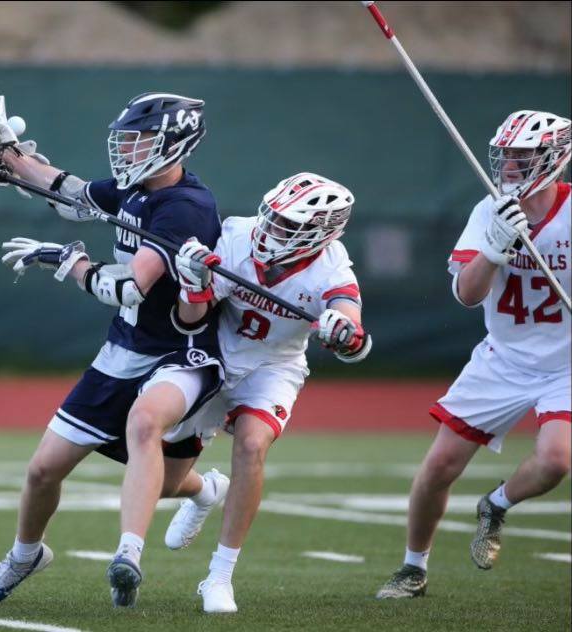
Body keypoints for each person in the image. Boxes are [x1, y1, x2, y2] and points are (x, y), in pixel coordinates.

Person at [0, 92, 229, 608]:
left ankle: (137, 548)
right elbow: (72, 194)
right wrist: (10, 155)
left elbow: (130, 288)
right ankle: (26, 554)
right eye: (126, 140)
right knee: (43, 470)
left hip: (178, 353)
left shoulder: (185, 208)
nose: (127, 150)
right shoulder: (136, 187)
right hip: (125, 350)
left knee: (149, 447)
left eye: (140, 140)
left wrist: (68, 262)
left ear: (174, 144)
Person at [376, 110, 571, 600]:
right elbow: (466, 293)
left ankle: (496, 504)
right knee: (440, 466)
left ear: (554, 159)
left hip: (565, 366)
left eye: (523, 156)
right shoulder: (490, 210)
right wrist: (495, 247)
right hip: (503, 359)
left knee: (556, 459)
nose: (510, 166)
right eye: (506, 155)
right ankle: (413, 567)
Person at [161, 172, 372, 613]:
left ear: (320, 233)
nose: (271, 229)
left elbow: (350, 322)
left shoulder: (331, 268)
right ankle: (203, 491)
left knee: (252, 445)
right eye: (272, 217)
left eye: (287, 225)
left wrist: (343, 331)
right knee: (163, 483)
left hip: (273, 366)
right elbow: (189, 319)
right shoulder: (236, 236)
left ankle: (219, 576)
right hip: (214, 355)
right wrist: (193, 283)